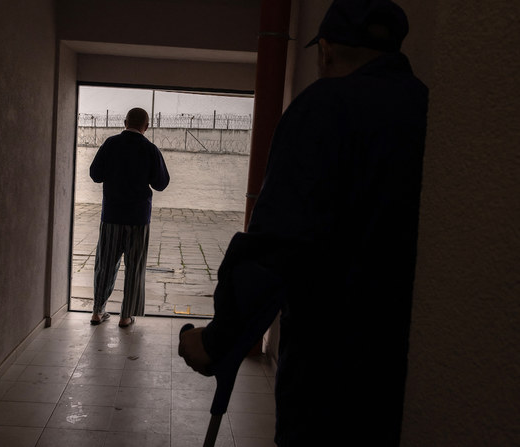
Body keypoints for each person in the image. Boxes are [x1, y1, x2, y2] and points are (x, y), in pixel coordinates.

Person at [178, 0, 429, 445]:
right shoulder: (427, 106)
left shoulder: (326, 105)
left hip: (330, 365)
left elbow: (277, 245)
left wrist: (217, 340)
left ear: (326, 50)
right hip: (404, 366)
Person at [89, 107, 170, 327]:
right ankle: (126, 316)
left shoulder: (111, 144)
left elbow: (95, 174)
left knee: (105, 263)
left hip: (112, 215)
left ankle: (97, 312)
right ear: (146, 126)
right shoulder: (150, 149)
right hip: (138, 218)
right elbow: (161, 183)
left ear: (125, 122)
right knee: (134, 267)